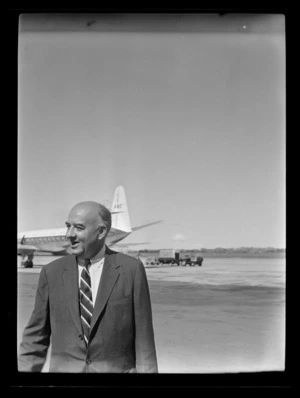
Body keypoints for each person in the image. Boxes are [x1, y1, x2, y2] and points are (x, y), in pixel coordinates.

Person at [18, 201, 158, 373]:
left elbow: (144, 341)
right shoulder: (51, 272)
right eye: (67, 226)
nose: (69, 234)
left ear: (101, 232)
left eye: (78, 227)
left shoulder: (131, 270)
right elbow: (35, 338)